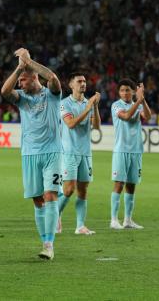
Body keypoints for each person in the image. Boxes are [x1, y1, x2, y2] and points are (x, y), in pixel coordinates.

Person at [1, 48, 62, 260]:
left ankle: (49, 245)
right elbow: (4, 92)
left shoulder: (52, 94)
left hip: (52, 152)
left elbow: (53, 77)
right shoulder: (22, 99)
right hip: (29, 154)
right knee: (38, 200)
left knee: (50, 195)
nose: (20, 83)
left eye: (24, 80)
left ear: (35, 78)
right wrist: (20, 68)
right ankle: (46, 236)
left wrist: (30, 61)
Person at [57, 72, 101, 235]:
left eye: (84, 81)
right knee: (68, 190)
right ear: (71, 85)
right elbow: (70, 124)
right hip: (69, 153)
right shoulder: (64, 104)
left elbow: (96, 126)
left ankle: (80, 226)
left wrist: (94, 107)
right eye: (79, 81)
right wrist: (88, 107)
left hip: (85, 153)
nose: (83, 84)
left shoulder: (87, 103)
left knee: (83, 190)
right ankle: (55, 216)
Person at [109, 79, 152, 229]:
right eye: (122, 90)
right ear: (119, 92)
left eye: (128, 90)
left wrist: (143, 100)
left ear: (133, 91)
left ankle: (128, 220)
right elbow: (126, 117)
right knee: (119, 184)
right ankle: (114, 219)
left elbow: (148, 116)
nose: (125, 93)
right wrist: (138, 101)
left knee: (131, 186)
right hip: (121, 150)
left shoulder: (138, 103)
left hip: (136, 150)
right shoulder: (116, 105)